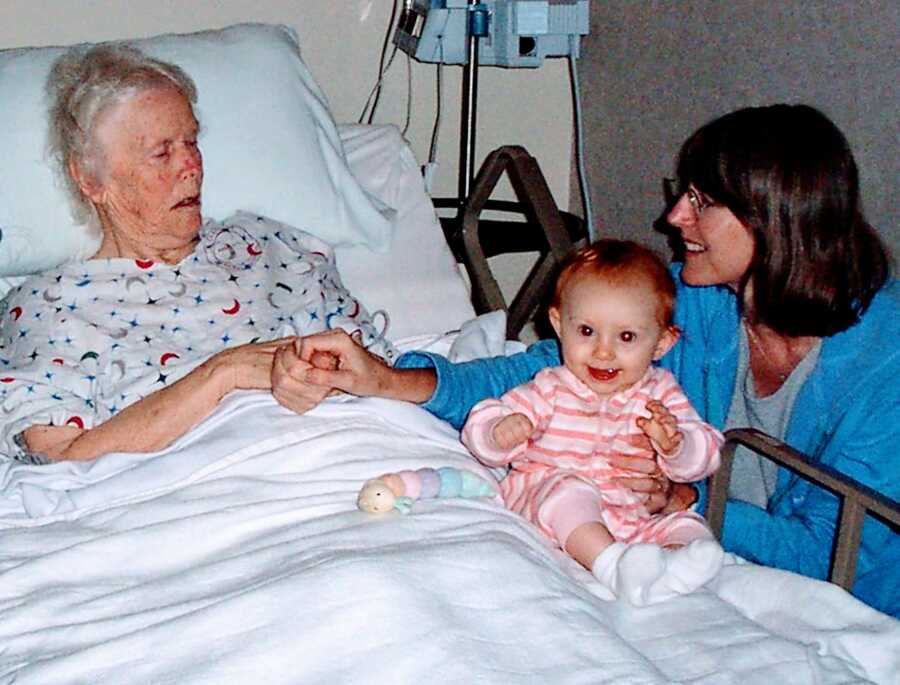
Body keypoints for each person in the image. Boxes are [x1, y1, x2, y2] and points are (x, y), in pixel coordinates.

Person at [278, 104, 899, 617]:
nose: (674, 216)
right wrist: (387, 379)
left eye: (702, 202)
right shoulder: (703, 301)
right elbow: (546, 374)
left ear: (776, 220)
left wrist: (687, 503)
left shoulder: (885, 364)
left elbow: (833, 551)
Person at [0, 43, 394, 464]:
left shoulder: (275, 249)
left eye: (191, 141)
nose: (191, 165)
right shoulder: (47, 309)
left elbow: (384, 378)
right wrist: (224, 373)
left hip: (352, 459)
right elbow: (60, 461)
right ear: (91, 180)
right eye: (161, 152)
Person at [461, 240, 725, 604]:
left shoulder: (661, 393)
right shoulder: (550, 388)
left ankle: (675, 568)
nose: (603, 351)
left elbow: (708, 453)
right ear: (558, 323)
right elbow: (485, 419)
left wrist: (677, 445)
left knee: (687, 525)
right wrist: (498, 432)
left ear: (662, 344)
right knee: (569, 490)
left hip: (632, 518)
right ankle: (611, 566)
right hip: (553, 509)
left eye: (627, 337)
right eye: (586, 331)